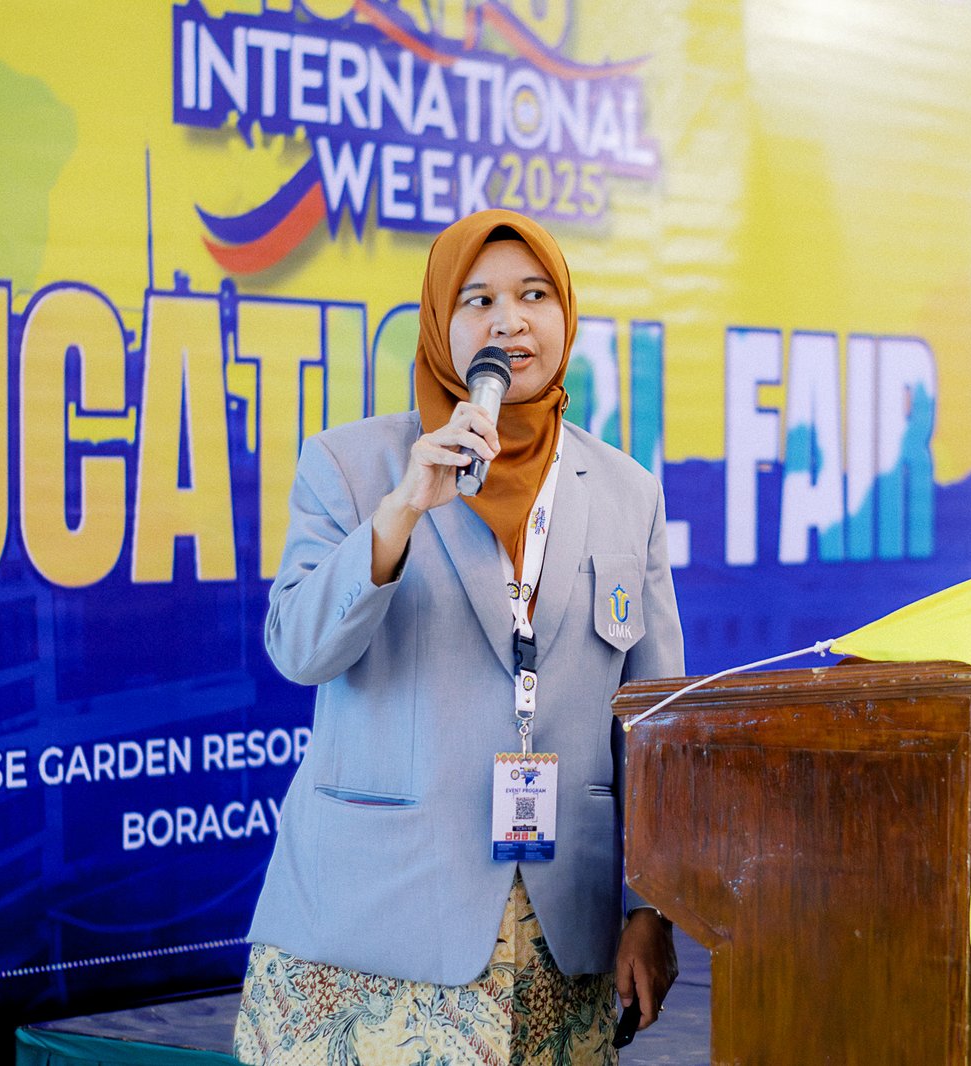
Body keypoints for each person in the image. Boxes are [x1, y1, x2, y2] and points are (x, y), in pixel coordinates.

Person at [233, 209, 684, 1065]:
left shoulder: (629, 492)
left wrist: (650, 907)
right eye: (479, 300)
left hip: (560, 941)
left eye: (534, 295)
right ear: (441, 321)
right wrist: (402, 510)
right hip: (370, 936)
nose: (510, 321)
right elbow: (298, 649)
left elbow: (654, 726)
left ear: (566, 316)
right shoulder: (352, 466)